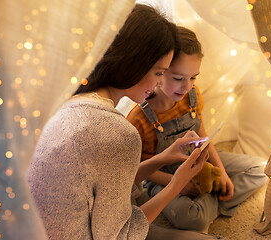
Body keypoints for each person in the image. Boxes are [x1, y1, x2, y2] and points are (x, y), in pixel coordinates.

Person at [27, 4, 226, 240]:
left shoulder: (69, 100)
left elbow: (106, 185)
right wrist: (176, 184)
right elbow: (121, 235)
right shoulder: (116, 131)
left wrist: (163, 158)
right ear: (134, 63)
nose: (158, 83)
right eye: (159, 72)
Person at [127, 26, 268, 232]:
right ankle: (210, 205)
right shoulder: (139, 118)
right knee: (192, 219)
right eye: (178, 78)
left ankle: (210, 200)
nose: (187, 86)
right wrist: (179, 183)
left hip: (200, 160)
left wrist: (221, 173)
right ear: (160, 72)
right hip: (164, 177)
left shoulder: (192, 96)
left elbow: (202, 134)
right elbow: (143, 169)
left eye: (193, 77)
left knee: (262, 168)